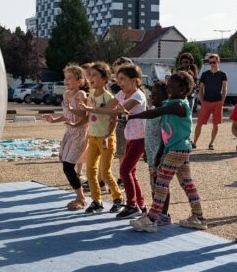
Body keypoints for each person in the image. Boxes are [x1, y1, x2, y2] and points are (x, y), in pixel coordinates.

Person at [128, 71, 207, 232]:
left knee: (161, 182)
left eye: (172, 86)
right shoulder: (170, 105)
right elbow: (164, 132)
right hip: (177, 150)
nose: (168, 88)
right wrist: (159, 154)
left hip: (178, 150)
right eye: (168, 85)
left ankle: (152, 218)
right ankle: (198, 217)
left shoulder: (179, 105)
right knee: (187, 184)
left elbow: (155, 112)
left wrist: (132, 116)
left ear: (184, 90)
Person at [80, 64, 146, 219]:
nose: (119, 82)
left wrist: (92, 110)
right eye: (117, 79)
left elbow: (115, 111)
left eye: (123, 79)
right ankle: (140, 205)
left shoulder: (138, 96)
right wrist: (91, 108)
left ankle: (131, 205)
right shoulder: (121, 94)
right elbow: (110, 107)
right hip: (131, 137)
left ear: (135, 80)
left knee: (124, 171)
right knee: (131, 172)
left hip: (141, 138)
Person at [75, 62, 123, 214]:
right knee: (90, 172)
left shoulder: (109, 97)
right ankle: (97, 201)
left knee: (105, 172)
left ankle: (118, 198)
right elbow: (89, 116)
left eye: (94, 75)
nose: (90, 78)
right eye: (88, 75)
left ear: (104, 79)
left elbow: (114, 118)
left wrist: (108, 136)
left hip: (105, 138)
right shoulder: (89, 96)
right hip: (93, 137)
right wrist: (75, 124)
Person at [43, 65, 89, 210]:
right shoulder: (66, 94)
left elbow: (85, 115)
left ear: (80, 81)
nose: (66, 80)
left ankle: (81, 198)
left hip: (79, 132)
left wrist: (72, 113)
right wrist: (53, 119)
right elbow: (66, 115)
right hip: (69, 132)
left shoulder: (81, 94)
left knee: (68, 166)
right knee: (65, 164)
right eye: (65, 77)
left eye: (70, 78)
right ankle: (79, 195)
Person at [143, 81, 172, 226]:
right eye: (152, 93)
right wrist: (145, 151)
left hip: (159, 156)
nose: (152, 96)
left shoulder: (165, 113)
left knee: (162, 186)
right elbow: (147, 132)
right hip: (150, 154)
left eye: (156, 94)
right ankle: (155, 211)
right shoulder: (153, 109)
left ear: (166, 95)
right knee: (153, 185)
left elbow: (164, 137)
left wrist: (158, 156)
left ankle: (164, 215)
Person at [193, 54, 227, 150]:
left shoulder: (223, 74)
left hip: (217, 102)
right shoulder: (204, 74)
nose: (212, 64)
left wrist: (222, 101)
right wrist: (202, 101)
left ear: (218, 61)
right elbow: (200, 89)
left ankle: (211, 143)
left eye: (214, 62)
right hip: (206, 102)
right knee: (199, 123)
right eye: (210, 62)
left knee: (215, 124)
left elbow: (224, 89)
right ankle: (194, 143)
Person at [110, 57, 134, 186]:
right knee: (121, 152)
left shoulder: (136, 92)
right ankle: (123, 177)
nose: (118, 79)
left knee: (127, 154)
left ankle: (125, 178)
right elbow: (110, 106)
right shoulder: (120, 91)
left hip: (133, 128)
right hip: (122, 125)